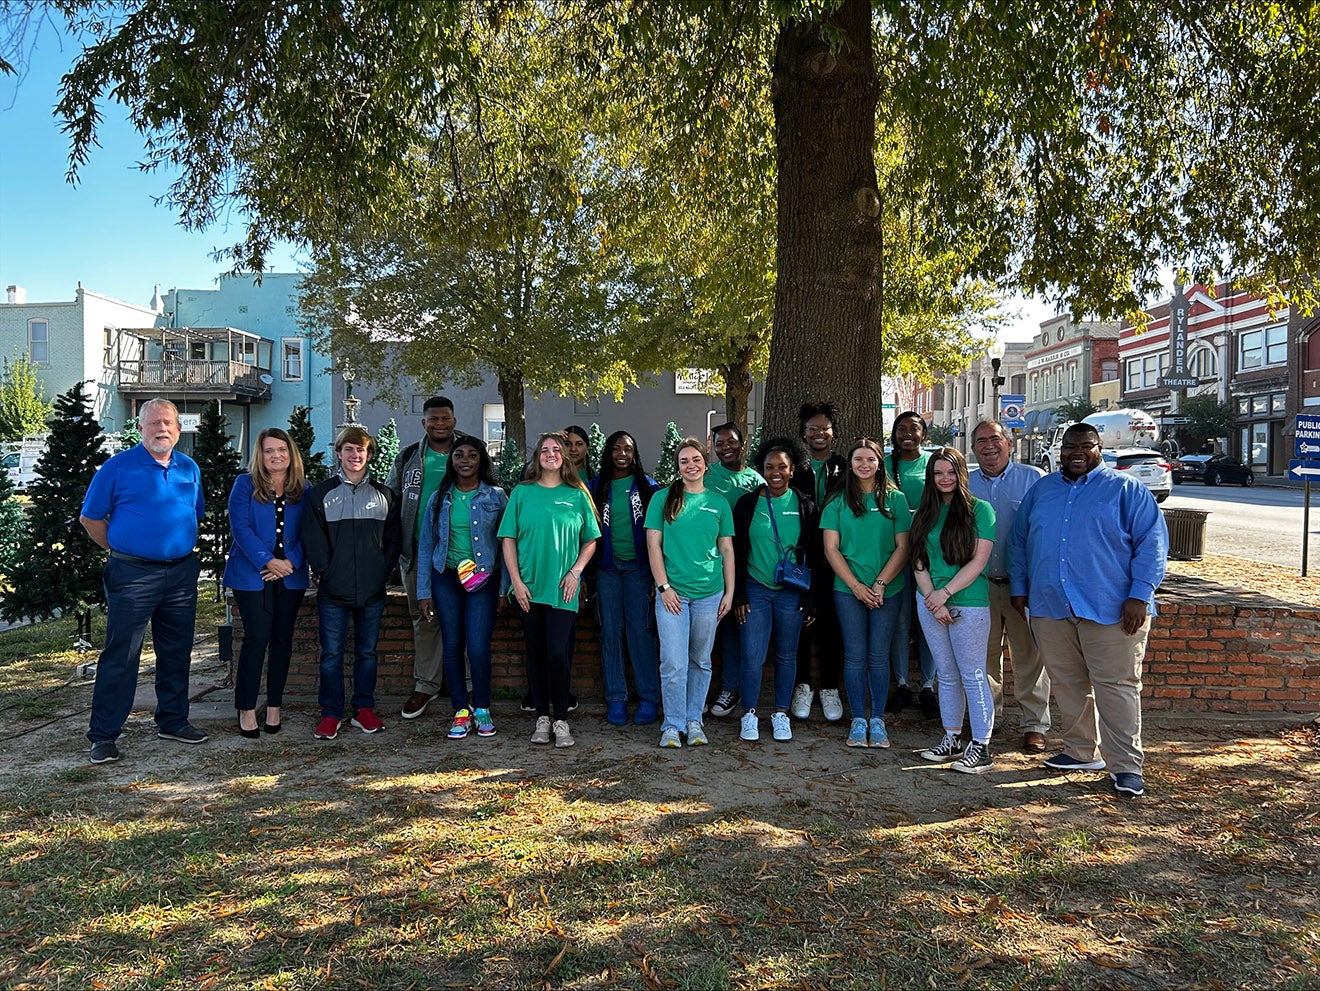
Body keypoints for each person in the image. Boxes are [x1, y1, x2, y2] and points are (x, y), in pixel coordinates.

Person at [1010, 423, 1168, 798]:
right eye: (1069, 446)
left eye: (1086, 446)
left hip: (1112, 607)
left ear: (1100, 448)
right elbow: (1019, 541)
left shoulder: (1126, 490)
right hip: (1050, 604)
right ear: (1059, 450)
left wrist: (1140, 595)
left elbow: (1152, 543)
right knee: (1067, 684)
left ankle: (1126, 765)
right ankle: (1081, 750)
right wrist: (1019, 587)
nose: (1076, 452)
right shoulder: (1042, 490)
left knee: (1116, 686)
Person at [80, 398, 207, 764]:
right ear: (140, 429)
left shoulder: (189, 468)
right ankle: (103, 735)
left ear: (179, 429)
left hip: (181, 573)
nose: (161, 429)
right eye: (153, 423)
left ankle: (173, 720)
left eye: (167, 423)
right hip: (132, 573)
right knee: (122, 653)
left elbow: (193, 513)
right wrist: (123, 548)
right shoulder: (117, 468)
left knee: (177, 650)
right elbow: (91, 519)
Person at [498, 432, 600, 748]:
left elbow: (591, 540)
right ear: (537, 457)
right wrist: (515, 582)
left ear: (565, 457)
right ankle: (542, 718)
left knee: (557, 653)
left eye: (557, 449)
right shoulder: (521, 493)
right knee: (536, 652)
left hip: (562, 589)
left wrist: (576, 573)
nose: (551, 454)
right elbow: (508, 540)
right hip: (527, 588)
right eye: (545, 449)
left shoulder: (577, 495)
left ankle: (561, 720)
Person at [302, 425, 402, 740]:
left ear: (369, 454)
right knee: (331, 654)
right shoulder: (321, 494)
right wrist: (326, 572)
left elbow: (393, 541)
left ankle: (363, 710)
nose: (354, 455)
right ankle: (331, 713)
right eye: (349, 449)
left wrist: (380, 573)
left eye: (360, 450)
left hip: (372, 590)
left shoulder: (386, 496)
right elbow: (313, 540)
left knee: (367, 652)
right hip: (333, 591)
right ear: (340, 453)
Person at [910, 447, 996, 773]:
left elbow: (979, 560)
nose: (944, 479)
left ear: (962, 474)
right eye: (938, 473)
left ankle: (982, 746)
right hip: (930, 603)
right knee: (946, 675)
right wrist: (932, 597)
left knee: (972, 675)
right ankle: (952, 737)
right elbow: (918, 560)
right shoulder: (925, 513)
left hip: (967, 603)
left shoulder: (980, 511)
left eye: (950, 472)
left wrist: (945, 593)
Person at [415, 436, 508, 740]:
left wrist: (504, 587)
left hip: (483, 579)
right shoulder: (440, 498)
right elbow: (427, 545)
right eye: (459, 455)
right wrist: (424, 591)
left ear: (482, 460)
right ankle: (460, 710)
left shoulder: (496, 496)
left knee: (478, 646)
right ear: (451, 461)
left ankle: (482, 707)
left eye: (472, 455)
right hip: (447, 577)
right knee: (453, 645)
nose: (465, 460)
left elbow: (507, 544)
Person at [967, 420, 1051, 754]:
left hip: (1022, 586)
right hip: (977, 586)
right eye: (981, 440)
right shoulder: (965, 483)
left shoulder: (1034, 480)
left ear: (1009, 443)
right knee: (984, 658)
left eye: (995, 439)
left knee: (1029, 658)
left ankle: (1034, 724)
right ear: (973, 448)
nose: (988, 445)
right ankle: (990, 717)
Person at [646, 438, 735, 748]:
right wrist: (664, 587)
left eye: (696, 459)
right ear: (678, 467)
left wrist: (730, 591)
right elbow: (653, 545)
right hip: (673, 594)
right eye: (684, 461)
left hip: (710, 594)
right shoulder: (662, 499)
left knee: (700, 660)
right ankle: (672, 724)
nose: (691, 465)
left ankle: (694, 720)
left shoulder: (719, 502)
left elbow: (726, 549)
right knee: (672, 661)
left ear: (705, 464)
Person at [821, 438, 910, 749]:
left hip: (888, 589)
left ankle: (878, 720)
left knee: (878, 655)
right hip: (848, 591)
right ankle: (859, 718)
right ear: (850, 464)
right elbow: (831, 549)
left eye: (870, 459)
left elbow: (903, 546)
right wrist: (857, 586)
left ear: (879, 463)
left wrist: (880, 583)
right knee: (856, 656)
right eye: (858, 459)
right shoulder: (836, 503)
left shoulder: (895, 500)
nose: (864, 464)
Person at [223, 427, 309, 739]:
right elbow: (240, 527)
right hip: (251, 574)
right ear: (259, 455)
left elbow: (309, 532)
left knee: (282, 640)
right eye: (269, 450)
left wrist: (289, 563)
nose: (276, 455)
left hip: (290, 575)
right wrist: (267, 561)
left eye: (281, 450)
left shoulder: (304, 488)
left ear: (291, 454)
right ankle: (246, 707)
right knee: (257, 638)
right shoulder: (244, 484)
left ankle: (274, 705)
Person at [732, 437, 818, 743]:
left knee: (786, 655)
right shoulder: (747, 504)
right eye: (769, 467)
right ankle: (749, 713)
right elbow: (736, 551)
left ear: (792, 469)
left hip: (791, 592)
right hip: (755, 589)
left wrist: (810, 600)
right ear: (762, 470)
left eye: (782, 466)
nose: (776, 472)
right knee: (752, 656)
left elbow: (815, 554)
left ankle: (781, 714)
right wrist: (738, 594)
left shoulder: (805, 504)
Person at [386, 396, 459, 722]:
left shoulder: (469, 451)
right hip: (416, 552)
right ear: (424, 423)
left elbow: (493, 492)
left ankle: (467, 687)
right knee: (424, 618)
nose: (440, 424)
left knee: (464, 618)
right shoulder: (408, 458)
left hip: (462, 556)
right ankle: (426, 685)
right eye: (434, 419)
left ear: (454, 420)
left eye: (445, 418)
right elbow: (391, 500)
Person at [588, 430, 661, 726]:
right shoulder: (595, 488)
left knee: (640, 632)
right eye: (616, 448)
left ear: (635, 454)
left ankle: (648, 698)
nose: (622, 453)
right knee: (609, 631)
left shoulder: (648, 487)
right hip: (606, 569)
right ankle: (616, 698)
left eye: (628, 449)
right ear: (608, 453)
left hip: (639, 570)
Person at [789, 400, 847, 722]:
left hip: (837, 560)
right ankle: (803, 685)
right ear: (804, 434)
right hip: (802, 558)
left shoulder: (846, 467)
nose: (819, 433)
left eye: (824, 428)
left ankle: (828, 687)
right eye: (813, 429)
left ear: (834, 434)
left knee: (832, 625)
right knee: (800, 624)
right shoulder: (794, 468)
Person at [703, 422, 764, 718]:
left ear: (744, 443)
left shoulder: (756, 481)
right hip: (709, 564)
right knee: (711, 629)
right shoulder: (705, 476)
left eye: (731, 442)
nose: (726, 448)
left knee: (740, 628)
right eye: (719, 443)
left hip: (749, 564)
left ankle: (733, 687)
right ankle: (699, 691)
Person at [887, 410, 938, 719]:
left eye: (914, 428)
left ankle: (928, 686)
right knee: (899, 619)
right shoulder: (886, 464)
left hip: (928, 553)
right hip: (892, 553)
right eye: (901, 428)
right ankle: (903, 684)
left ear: (924, 434)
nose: (907, 433)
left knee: (927, 621)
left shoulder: (933, 462)